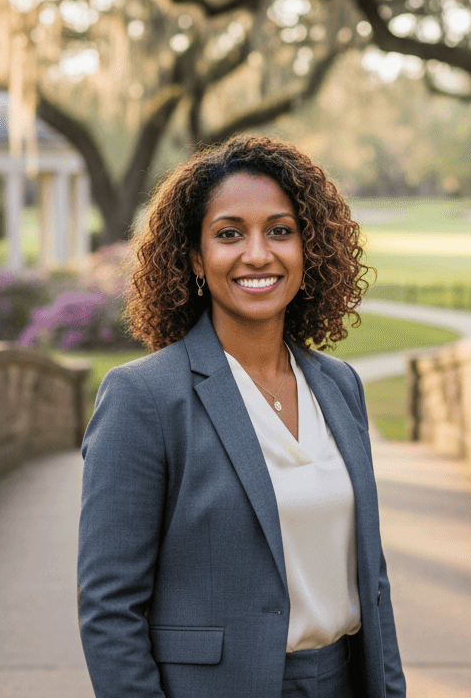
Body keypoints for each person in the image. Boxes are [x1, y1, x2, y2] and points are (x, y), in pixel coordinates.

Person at [78, 135, 406, 698]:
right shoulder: (144, 398)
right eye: (229, 234)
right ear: (195, 258)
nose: (258, 254)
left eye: (280, 231)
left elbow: (371, 579)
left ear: (310, 248)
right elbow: (109, 610)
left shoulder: (339, 386)